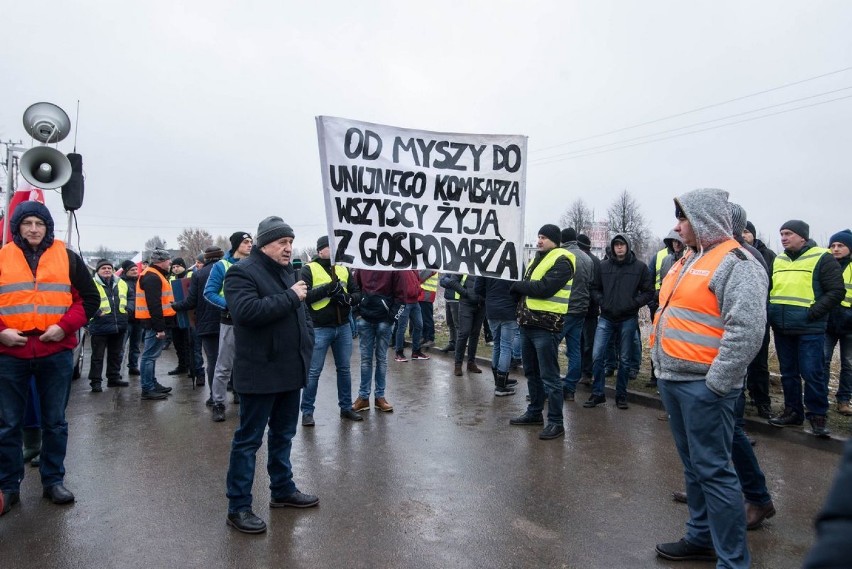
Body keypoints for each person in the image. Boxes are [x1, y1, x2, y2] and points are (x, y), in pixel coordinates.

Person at [651, 188, 767, 567]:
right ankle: (700, 537)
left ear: (704, 219)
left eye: (683, 218)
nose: (677, 226)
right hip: (674, 379)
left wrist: (718, 383)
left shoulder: (738, 262)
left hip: (704, 386)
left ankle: (733, 561)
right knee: (694, 468)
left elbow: (746, 331)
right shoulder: (688, 258)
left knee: (714, 474)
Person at [0, 201, 99, 511]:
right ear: (17, 227)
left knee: (54, 422)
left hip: (54, 351)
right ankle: (8, 485)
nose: (33, 228)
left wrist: (63, 327)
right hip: (9, 353)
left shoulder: (67, 257)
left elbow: (90, 299)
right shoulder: (2, 257)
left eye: (39, 223)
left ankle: (53, 480)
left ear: (47, 227)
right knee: (7, 424)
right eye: (27, 222)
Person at [223, 216, 317, 534]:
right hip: (260, 372)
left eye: (290, 242)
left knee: (283, 436)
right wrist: (292, 296)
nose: (288, 248)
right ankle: (238, 507)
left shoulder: (289, 272)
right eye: (282, 242)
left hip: (290, 371)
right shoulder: (242, 272)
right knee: (248, 441)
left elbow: (300, 313)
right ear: (265, 244)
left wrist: (308, 339)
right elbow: (247, 313)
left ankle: (282, 490)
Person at [767, 220, 844, 437]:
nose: (783, 237)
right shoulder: (779, 259)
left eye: (788, 233)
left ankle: (818, 417)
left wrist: (812, 313)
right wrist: (770, 311)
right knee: (788, 373)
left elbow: (836, 291)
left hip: (809, 328)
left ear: (802, 236)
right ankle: (793, 412)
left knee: (812, 373)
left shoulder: (822, 257)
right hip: (782, 328)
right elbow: (770, 289)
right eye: (781, 233)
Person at [509, 224, 574, 440]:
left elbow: (545, 288)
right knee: (532, 373)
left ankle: (556, 422)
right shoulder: (539, 258)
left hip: (546, 326)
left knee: (550, 377)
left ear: (554, 239)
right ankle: (535, 413)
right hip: (528, 324)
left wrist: (518, 286)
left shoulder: (563, 259)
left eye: (543, 237)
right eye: (538, 236)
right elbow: (531, 286)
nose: (539, 241)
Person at [584, 234, 653, 409]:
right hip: (606, 317)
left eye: (622, 244)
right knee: (597, 355)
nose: (619, 248)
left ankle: (621, 395)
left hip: (627, 318)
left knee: (625, 358)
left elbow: (648, 291)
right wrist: (602, 301)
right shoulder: (603, 266)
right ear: (613, 247)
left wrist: (634, 303)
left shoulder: (640, 268)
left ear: (628, 246)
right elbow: (594, 287)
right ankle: (598, 393)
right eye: (616, 245)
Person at [300, 235, 363, 426]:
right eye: (330, 247)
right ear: (320, 250)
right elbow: (304, 296)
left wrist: (347, 299)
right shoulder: (308, 269)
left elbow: (357, 293)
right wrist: (328, 289)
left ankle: (346, 408)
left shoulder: (343, 268)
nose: (334, 250)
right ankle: (307, 412)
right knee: (313, 372)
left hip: (342, 326)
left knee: (344, 369)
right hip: (320, 328)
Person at [204, 231, 253, 421]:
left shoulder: (254, 264)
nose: (250, 245)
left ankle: (245, 397)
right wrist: (229, 305)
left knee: (249, 363)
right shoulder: (221, 266)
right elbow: (209, 292)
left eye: (251, 242)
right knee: (224, 366)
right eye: (246, 242)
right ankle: (218, 403)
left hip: (251, 321)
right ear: (236, 245)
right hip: (230, 321)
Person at [172, 246, 224, 406]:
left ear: (206, 259)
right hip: (228, 320)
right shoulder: (229, 269)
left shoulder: (199, 274)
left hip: (207, 323)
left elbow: (191, 301)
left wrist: (176, 306)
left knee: (213, 361)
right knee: (231, 359)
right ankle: (236, 394)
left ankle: (214, 397)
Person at [353, 269, 407, 412]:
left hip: (384, 321)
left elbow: (402, 297)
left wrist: (391, 319)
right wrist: (357, 314)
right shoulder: (361, 264)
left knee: (381, 360)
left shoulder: (393, 266)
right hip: (365, 319)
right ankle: (363, 398)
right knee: (366, 360)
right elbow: (354, 290)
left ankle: (380, 397)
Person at [136, 248, 177, 400]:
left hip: (155, 322)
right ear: (161, 261)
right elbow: (154, 304)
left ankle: (152, 384)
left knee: (151, 355)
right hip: (154, 324)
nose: (170, 262)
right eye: (168, 260)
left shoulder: (154, 274)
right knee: (149, 356)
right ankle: (147, 388)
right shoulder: (152, 277)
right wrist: (159, 328)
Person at [646, 231, 684, 387]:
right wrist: (652, 301)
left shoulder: (691, 259)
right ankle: (655, 376)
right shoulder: (664, 258)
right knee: (656, 340)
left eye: (678, 241)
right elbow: (653, 280)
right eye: (673, 241)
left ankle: (672, 378)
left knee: (675, 345)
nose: (676, 244)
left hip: (680, 309)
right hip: (660, 306)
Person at [559, 228, 592, 402]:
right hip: (581, 310)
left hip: (564, 309)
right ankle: (570, 388)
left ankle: (550, 388)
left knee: (549, 348)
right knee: (574, 350)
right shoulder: (587, 259)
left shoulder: (561, 255)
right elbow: (590, 282)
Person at [87, 259, 129, 392]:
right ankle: (96, 382)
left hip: (118, 325)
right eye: (103, 268)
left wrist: (130, 309)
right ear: (98, 271)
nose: (107, 270)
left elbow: (131, 297)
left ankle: (113, 378)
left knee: (115, 355)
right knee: (97, 357)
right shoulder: (91, 284)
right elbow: (84, 300)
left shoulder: (121, 283)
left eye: (109, 268)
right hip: (100, 325)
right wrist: (96, 312)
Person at [475, 275, 519, 396]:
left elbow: (477, 288)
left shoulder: (488, 263)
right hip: (509, 309)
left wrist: (491, 295)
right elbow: (521, 287)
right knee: (505, 347)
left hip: (492, 309)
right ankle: (500, 386)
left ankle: (500, 380)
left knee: (497, 345)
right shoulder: (514, 263)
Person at [824, 229, 852, 416]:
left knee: (848, 364)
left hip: (850, 324)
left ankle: (844, 400)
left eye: (840, 245)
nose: (836, 249)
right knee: (822, 361)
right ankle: (820, 397)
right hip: (827, 322)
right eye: (833, 245)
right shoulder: (824, 264)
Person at [445, 274, 486, 376]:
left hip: (481, 304)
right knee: (464, 333)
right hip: (466, 303)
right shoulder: (466, 262)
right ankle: (458, 364)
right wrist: (465, 293)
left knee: (475, 334)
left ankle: (471, 363)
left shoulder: (486, 263)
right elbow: (453, 281)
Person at [577, 233, 600, 384]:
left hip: (585, 309)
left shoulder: (591, 261)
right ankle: (584, 372)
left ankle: (585, 373)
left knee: (585, 343)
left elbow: (595, 286)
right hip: (587, 309)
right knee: (584, 343)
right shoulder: (594, 260)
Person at [393, 270, 429, 362]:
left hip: (415, 302)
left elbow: (417, 281)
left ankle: (416, 352)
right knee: (402, 328)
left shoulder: (414, 268)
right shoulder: (400, 269)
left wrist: (418, 290)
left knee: (419, 325)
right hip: (404, 303)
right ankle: (399, 352)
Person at [119, 260, 142, 376]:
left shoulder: (140, 281)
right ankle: (117, 370)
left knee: (136, 345)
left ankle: (133, 366)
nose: (135, 271)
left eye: (135, 269)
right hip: (126, 319)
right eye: (132, 270)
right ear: (126, 271)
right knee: (121, 346)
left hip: (139, 319)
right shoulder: (120, 282)